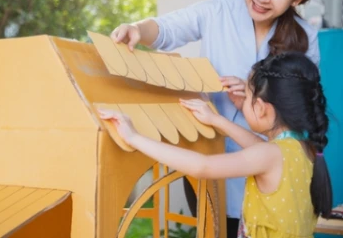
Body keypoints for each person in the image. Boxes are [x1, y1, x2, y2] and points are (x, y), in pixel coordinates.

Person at [110, 0, 319, 236]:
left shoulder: (306, 38)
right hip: (210, 150)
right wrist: (137, 29)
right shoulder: (218, 11)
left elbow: (300, 108)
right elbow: (167, 28)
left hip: (267, 169)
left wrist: (249, 94)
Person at [99, 52, 333, 238]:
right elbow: (257, 146)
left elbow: (203, 167)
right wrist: (217, 120)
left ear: (262, 108)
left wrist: (135, 138)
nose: (244, 102)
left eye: (248, 98)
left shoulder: (270, 154)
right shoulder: (304, 149)